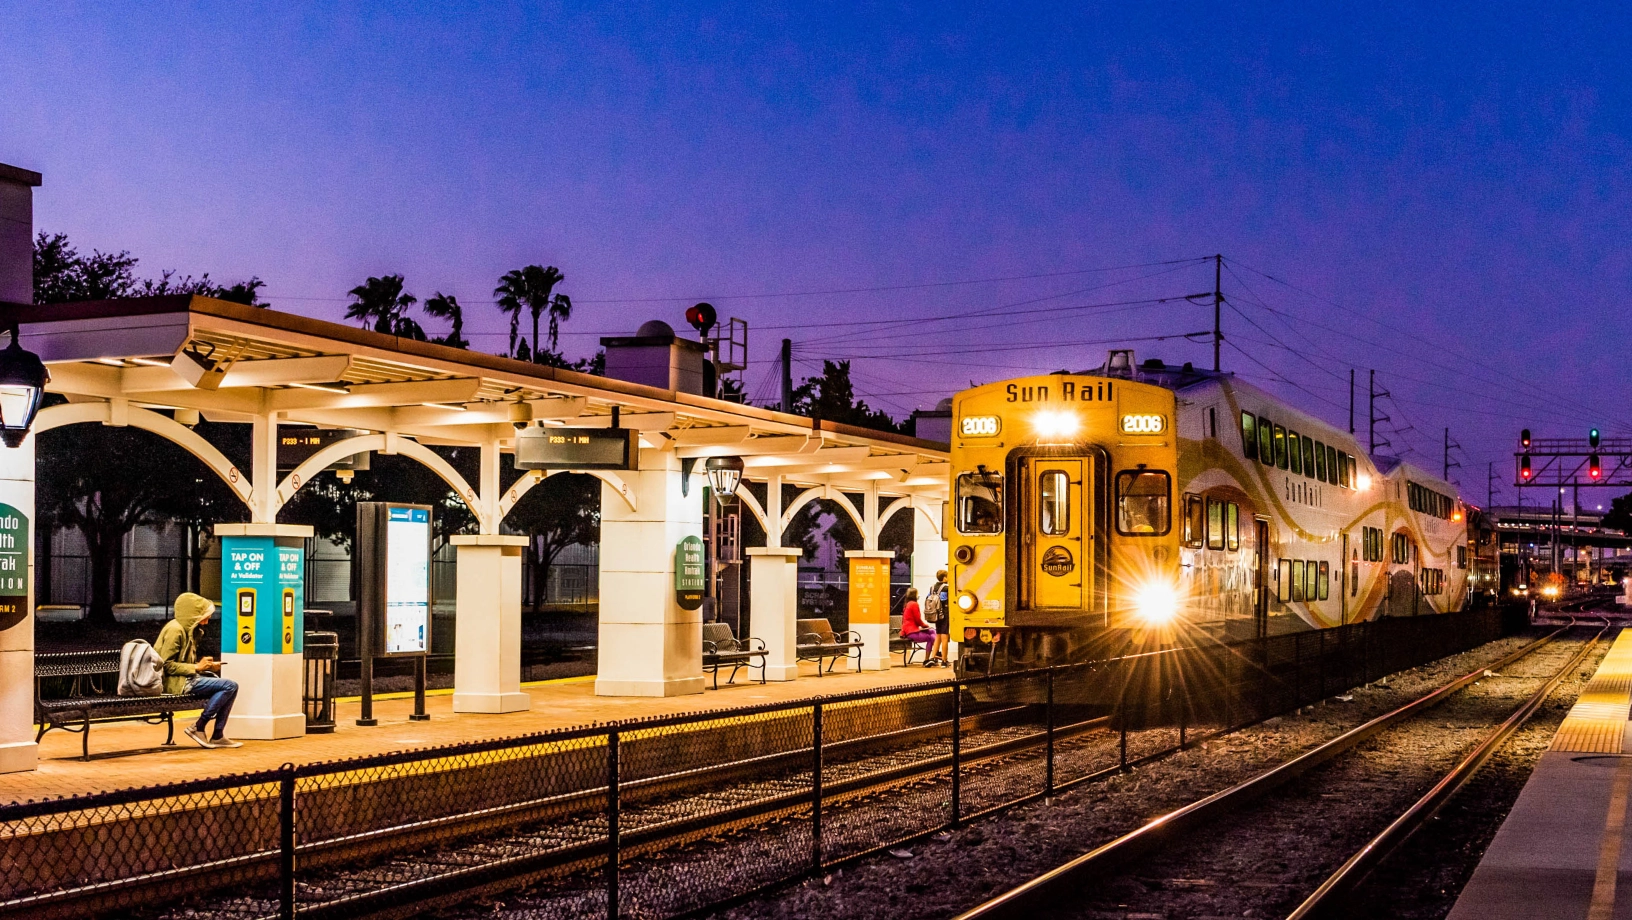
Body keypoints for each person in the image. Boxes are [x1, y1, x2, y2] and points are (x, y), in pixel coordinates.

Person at [156, 592, 242, 749]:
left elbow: (182, 663)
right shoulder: (175, 630)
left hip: (186, 679)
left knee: (230, 687)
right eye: (205, 616)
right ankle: (199, 727)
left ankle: (217, 735)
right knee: (229, 686)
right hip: (175, 683)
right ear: (193, 615)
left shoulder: (189, 630)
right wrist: (196, 667)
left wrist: (207, 666)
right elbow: (166, 665)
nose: (207, 621)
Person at [899, 587, 936, 666]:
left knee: (932, 631)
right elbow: (917, 620)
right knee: (930, 637)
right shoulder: (914, 604)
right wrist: (925, 626)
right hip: (912, 632)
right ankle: (928, 659)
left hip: (908, 630)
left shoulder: (907, 604)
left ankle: (935, 655)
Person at [926, 569, 951, 667]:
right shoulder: (946, 588)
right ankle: (944, 661)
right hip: (944, 614)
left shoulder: (932, 587)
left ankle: (932, 657)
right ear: (944, 578)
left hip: (935, 615)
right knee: (944, 637)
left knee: (938, 635)